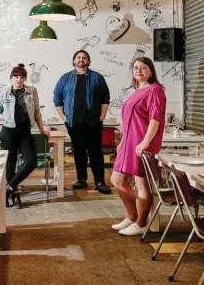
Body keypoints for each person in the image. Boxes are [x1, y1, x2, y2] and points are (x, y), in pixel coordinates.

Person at [111, 57, 166, 236]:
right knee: (117, 181)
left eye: (143, 68)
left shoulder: (155, 90)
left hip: (142, 144)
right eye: (135, 68)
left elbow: (154, 120)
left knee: (141, 183)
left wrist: (145, 142)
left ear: (151, 71)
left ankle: (141, 223)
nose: (139, 70)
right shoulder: (136, 91)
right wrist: (122, 142)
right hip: (128, 143)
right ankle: (132, 216)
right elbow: (129, 120)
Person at [53, 50, 111, 194]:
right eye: (78, 57)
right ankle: (81, 179)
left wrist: (102, 116)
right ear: (74, 61)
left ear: (88, 61)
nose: (81, 59)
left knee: (96, 152)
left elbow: (105, 97)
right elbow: (57, 99)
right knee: (79, 152)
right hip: (74, 123)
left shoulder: (97, 78)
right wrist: (64, 118)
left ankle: (100, 182)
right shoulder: (65, 78)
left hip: (93, 122)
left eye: (84, 57)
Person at [0, 63, 49, 209]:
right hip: (8, 132)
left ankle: (7, 189)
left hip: (25, 131)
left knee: (31, 162)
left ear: (25, 78)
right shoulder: (4, 94)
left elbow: (36, 112)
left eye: (22, 77)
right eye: (16, 76)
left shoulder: (32, 91)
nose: (18, 79)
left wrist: (42, 129)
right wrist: (4, 118)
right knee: (10, 162)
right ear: (11, 78)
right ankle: (15, 195)